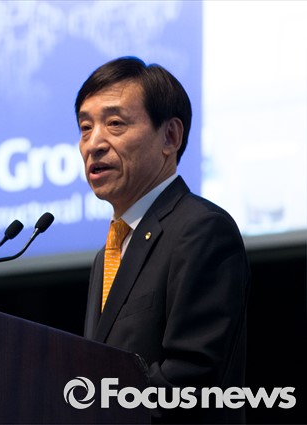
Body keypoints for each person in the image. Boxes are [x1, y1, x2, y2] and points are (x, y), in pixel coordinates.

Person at [75, 57, 250, 423]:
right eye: (85, 127)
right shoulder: (107, 255)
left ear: (170, 136)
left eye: (115, 123)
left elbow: (190, 380)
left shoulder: (201, 229)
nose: (94, 143)